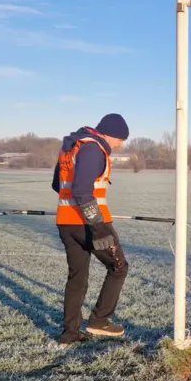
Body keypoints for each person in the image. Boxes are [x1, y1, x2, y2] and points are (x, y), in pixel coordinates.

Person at [51, 113, 130, 344]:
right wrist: (98, 228)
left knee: (77, 277)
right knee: (118, 267)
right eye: (120, 139)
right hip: (90, 225)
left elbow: (57, 185)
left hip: (66, 222)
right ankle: (99, 321)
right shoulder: (94, 149)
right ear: (110, 134)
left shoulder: (72, 148)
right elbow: (82, 191)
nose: (120, 145)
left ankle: (70, 333)